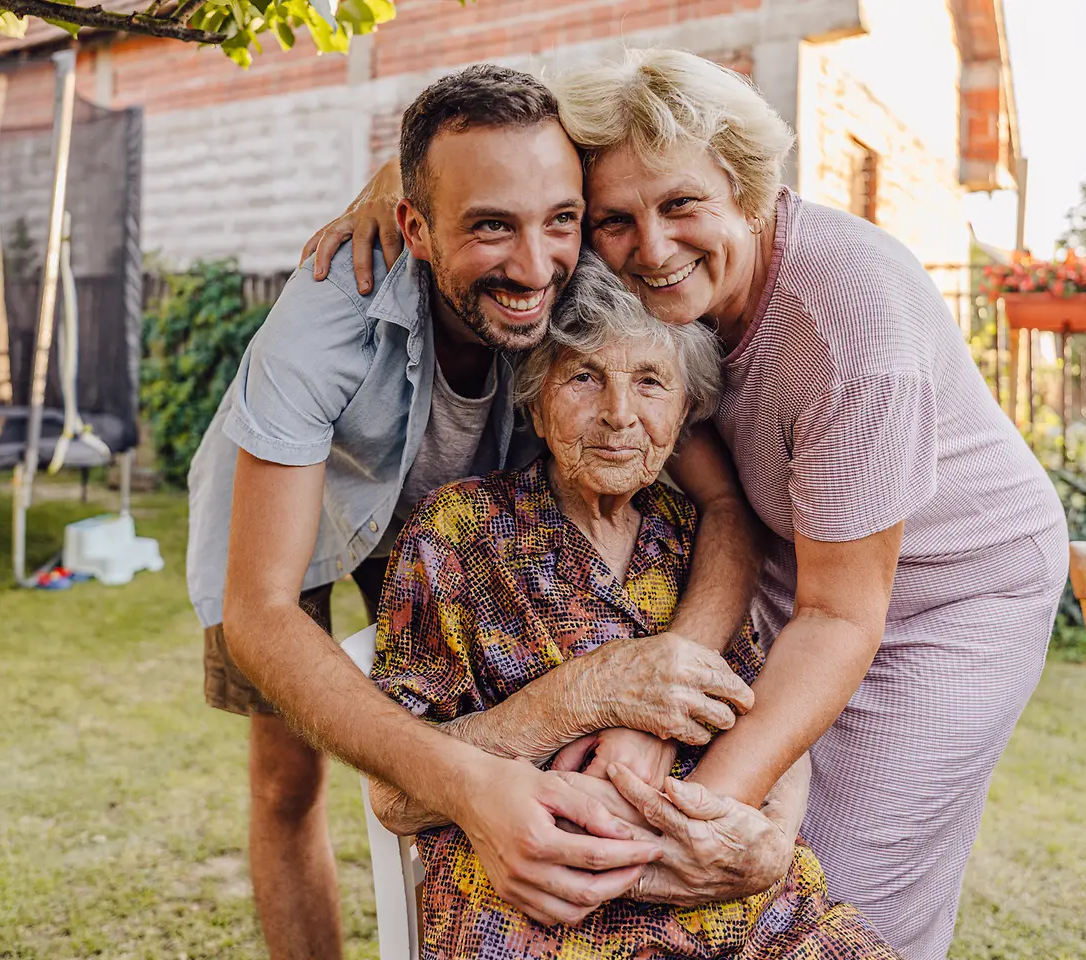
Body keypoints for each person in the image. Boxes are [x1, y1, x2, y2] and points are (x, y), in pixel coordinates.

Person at [304, 50, 1070, 960]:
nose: (653, 249)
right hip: (805, 551)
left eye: (681, 207)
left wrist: (697, 812)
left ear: (746, 191)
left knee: (832, 876)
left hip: (948, 592)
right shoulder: (647, 288)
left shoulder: (853, 330)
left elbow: (837, 615)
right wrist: (390, 190)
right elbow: (490, 139)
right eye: (617, 220)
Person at [187, 64, 765, 959]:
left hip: (439, 518)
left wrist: (658, 685)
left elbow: (723, 500)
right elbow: (258, 611)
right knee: (284, 782)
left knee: (473, 717)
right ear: (415, 226)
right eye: (491, 225)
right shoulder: (322, 321)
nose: (534, 266)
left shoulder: (567, 283)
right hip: (292, 508)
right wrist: (467, 781)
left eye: (559, 220)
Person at [367, 251, 900, 960]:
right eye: (585, 377)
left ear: (684, 415)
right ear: (535, 396)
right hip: (543, 909)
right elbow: (396, 794)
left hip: (734, 907)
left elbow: (767, 715)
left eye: (650, 382)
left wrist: (771, 840)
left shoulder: (692, 546)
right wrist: (580, 699)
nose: (620, 415)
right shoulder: (456, 535)